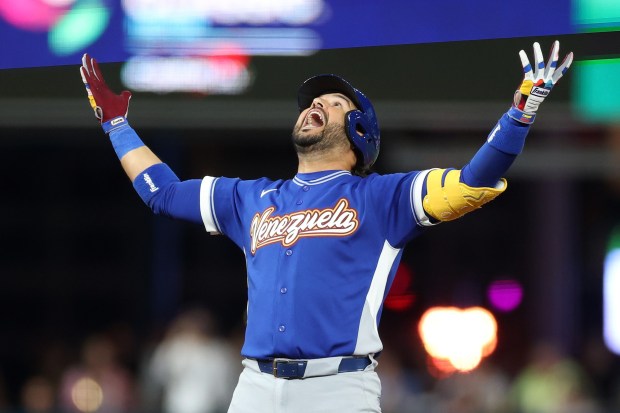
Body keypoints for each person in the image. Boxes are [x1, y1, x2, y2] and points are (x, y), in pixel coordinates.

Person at [79, 41, 573, 413]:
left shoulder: (383, 197)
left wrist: (519, 114)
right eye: (313, 102)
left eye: (334, 103)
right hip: (253, 387)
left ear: (360, 131)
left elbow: (471, 183)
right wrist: (116, 126)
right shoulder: (251, 197)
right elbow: (161, 194)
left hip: (338, 388)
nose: (316, 105)